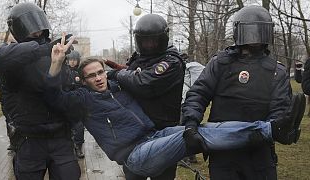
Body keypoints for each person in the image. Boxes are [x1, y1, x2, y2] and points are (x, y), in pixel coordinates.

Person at [46, 39, 305, 177]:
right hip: (134, 155)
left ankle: (274, 127)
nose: (99, 78)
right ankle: (273, 130)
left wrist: (116, 67)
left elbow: (135, 75)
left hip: (153, 137)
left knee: (202, 127)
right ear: (83, 79)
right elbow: (54, 97)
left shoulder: (116, 86)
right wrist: (56, 63)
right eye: (92, 76)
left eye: (101, 72)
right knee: (191, 136)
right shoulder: (82, 100)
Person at [181, 5, 297, 180]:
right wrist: (190, 124)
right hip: (223, 151)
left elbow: (280, 109)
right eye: (250, 32)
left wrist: (274, 129)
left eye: (259, 32)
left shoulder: (276, 71)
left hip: (259, 152)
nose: (254, 37)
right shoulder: (220, 63)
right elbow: (198, 94)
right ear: (239, 32)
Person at [0, 3, 80, 179]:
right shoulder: (10, 56)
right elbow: (0, 57)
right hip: (29, 139)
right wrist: (46, 49)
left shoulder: (58, 52)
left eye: (39, 27)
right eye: (31, 28)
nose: (37, 33)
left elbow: (68, 90)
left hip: (61, 137)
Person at [107, 14, 185, 180]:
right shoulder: (139, 58)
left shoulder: (171, 61)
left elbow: (144, 83)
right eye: (145, 41)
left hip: (162, 130)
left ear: (162, 39)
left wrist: (119, 74)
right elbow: (133, 75)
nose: (148, 45)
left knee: (162, 175)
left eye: (153, 41)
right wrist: (125, 72)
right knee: (133, 174)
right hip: (136, 131)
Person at [62, 50, 85, 159]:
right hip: (65, 102)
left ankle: (78, 146)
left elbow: (85, 86)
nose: (72, 62)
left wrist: (78, 82)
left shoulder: (80, 71)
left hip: (77, 103)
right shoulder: (63, 70)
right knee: (66, 126)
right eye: (70, 60)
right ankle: (67, 147)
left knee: (79, 126)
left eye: (74, 60)